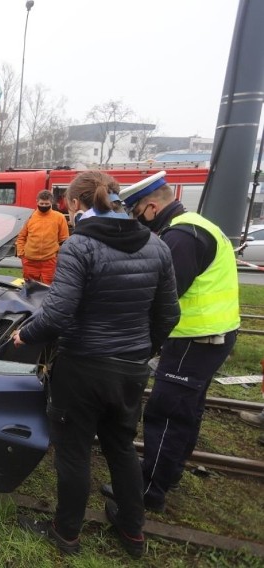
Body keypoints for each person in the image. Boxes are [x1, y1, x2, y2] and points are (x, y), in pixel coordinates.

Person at [12, 171, 180, 558]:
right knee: (121, 447)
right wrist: (141, 350)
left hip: (83, 368)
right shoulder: (157, 246)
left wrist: (26, 335)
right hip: (130, 369)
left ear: (73, 204)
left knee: (74, 452)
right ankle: (132, 531)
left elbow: (56, 314)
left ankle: (66, 532)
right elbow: (169, 315)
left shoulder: (79, 246)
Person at [108, 171, 241, 513]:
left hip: (194, 339)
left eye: (136, 211)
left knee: (166, 412)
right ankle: (170, 471)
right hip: (211, 335)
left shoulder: (181, 238)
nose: (136, 219)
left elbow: (162, 297)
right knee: (188, 408)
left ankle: (148, 489)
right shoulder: (195, 225)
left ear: (152, 207)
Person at [15, 190, 70, 284]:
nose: (44, 206)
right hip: (29, 261)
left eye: (46, 203)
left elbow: (64, 240)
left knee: (48, 289)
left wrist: (58, 257)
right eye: (42, 203)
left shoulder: (59, 217)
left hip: (49, 261)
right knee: (30, 290)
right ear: (37, 202)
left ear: (51, 202)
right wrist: (21, 254)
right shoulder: (29, 217)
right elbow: (21, 237)